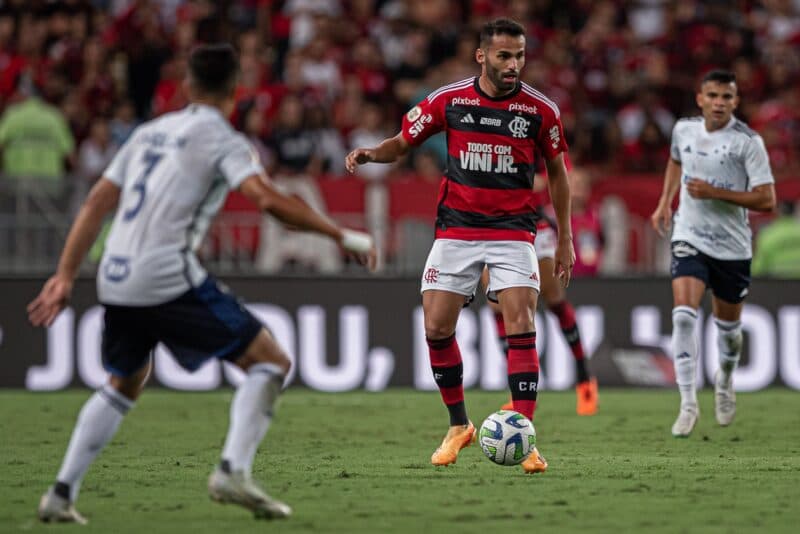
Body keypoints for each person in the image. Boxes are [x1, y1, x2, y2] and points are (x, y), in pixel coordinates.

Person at [28, 44, 375, 524]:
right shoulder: (223, 140)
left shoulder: (147, 133)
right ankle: (233, 470)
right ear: (236, 92)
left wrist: (65, 275)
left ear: (187, 86)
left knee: (123, 382)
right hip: (164, 274)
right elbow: (267, 200)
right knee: (271, 362)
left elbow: (95, 203)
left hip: (115, 275)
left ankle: (61, 493)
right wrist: (339, 234)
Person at [346, 18, 575, 474]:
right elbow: (402, 143)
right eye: (504, 56)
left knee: (521, 320)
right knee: (435, 327)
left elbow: (558, 173)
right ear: (482, 56)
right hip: (457, 230)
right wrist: (373, 153)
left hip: (513, 231)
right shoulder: (449, 100)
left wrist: (565, 237)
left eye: (520, 56)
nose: (513, 65)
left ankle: (524, 435)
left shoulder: (541, 110)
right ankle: (458, 425)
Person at [650, 69, 775, 438]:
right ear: (700, 98)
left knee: (729, 332)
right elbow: (676, 160)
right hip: (689, 235)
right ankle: (688, 403)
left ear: (736, 102)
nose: (719, 103)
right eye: (713, 96)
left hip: (732, 246)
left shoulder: (748, 142)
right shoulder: (684, 129)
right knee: (683, 316)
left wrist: (715, 192)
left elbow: (767, 199)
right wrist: (665, 201)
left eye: (726, 97)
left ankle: (725, 378)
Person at [488, 170, 598, 416]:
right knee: (497, 306)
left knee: (554, 300)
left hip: (532, 225)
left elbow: (547, 177)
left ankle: (584, 379)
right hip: (494, 225)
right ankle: (518, 389)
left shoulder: (532, 147)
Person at [752, 200, 800, 278]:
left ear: (778, 212)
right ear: (795, 211)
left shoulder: (768, 234)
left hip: (777, 282)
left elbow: (757, 268)